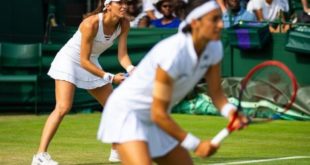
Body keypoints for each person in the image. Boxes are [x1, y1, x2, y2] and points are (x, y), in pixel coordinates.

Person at [97, 0, 248, 164]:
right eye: (214, 20)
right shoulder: (173, 53)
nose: (221, 25)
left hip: (155, 117)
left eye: (220, 18)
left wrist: (231, 113)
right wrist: (195, 145)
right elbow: (158, 113)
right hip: (127, 113)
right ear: (195, 22)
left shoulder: (214, 47)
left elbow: (216, 94)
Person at [32, 0, 135, 164]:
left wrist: (131, 69)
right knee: (63, 107)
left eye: (126, 2)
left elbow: (122, 55)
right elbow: (83, 61)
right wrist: (110, 77)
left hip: (90, 61)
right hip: (70, 60)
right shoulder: (90, 24)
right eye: (119, 2)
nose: (124, 6)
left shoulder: (124, 24)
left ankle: (116, 150)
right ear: (108, 5)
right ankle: (39, 156)